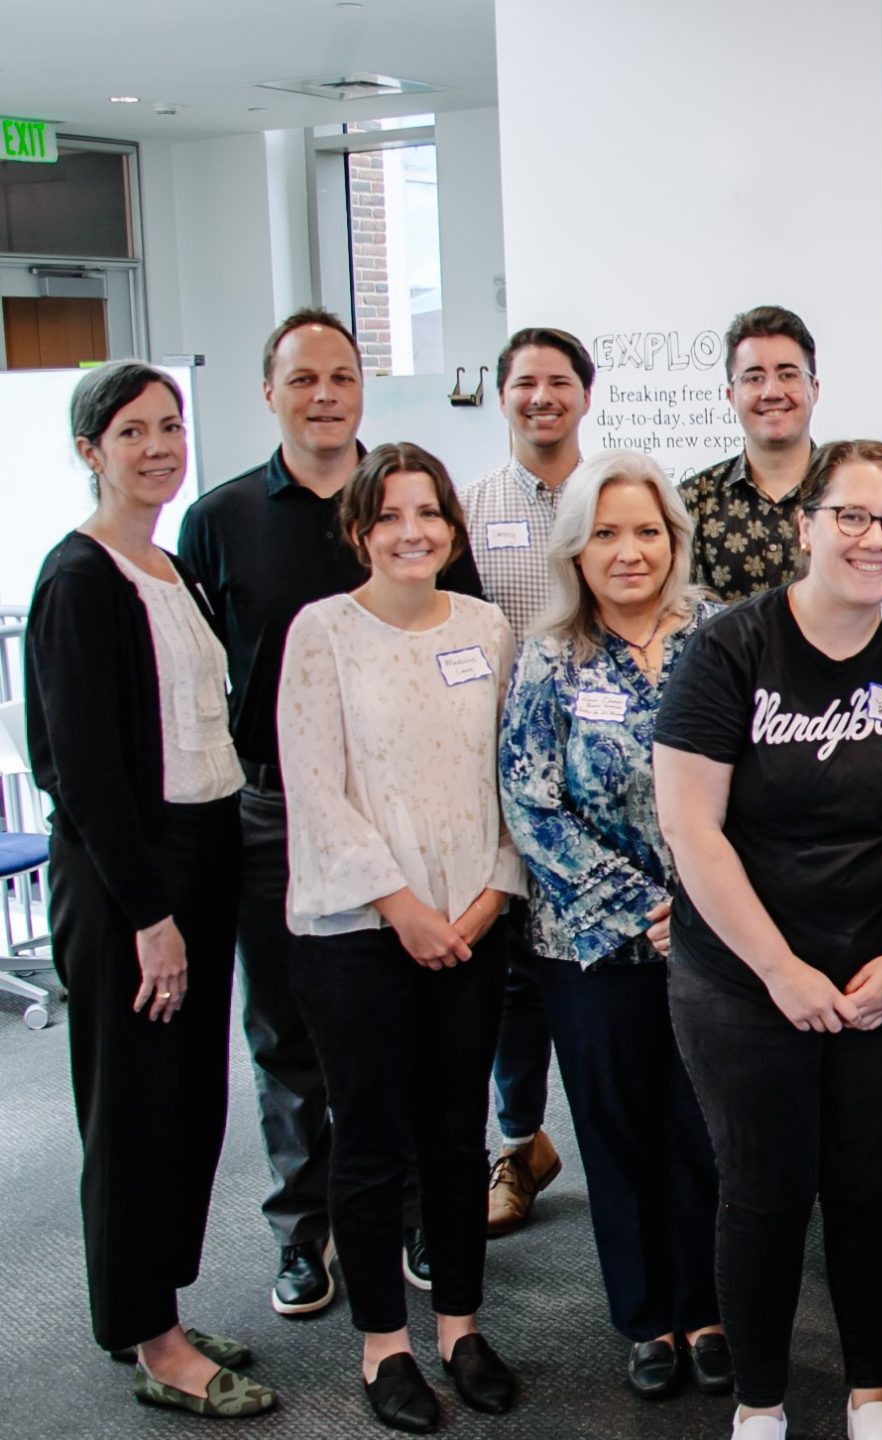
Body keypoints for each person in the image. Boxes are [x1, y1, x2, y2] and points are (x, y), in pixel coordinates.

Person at [655, 439, 882, 1440]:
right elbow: (691, 827)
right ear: (806, 525)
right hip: (743, 974)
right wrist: (780, 970)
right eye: (850, 516)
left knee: (871, 1188)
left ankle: (871, 1395)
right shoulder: (729, 648)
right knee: (763, 1189)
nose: (872, 538)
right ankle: (759, 1405)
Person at [178, 308, 484, 1319]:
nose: (323, 393)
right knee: (291, 1038)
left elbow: (475, 693)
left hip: (442, 834)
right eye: (302, 377)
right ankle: (304, 1230)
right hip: (282, 810)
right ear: (269, 391)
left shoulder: (441, 554)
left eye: (343, 375)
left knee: (433, 1068)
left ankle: (411, 1225)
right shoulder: (221, 519)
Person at [26, 362, 277, 1418]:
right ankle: (153, 1342)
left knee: (184, 1105)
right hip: (131, 880)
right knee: (131, 1111)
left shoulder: (168, 566)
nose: (160, 447)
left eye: (170, 426)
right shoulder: (80, 580)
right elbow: (77, 769)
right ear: (92, 451)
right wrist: (150, 918)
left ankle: (156, 1313)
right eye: (133, 432)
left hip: (200, 854)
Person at [277, 443, 524, 1432]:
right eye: (390, 515)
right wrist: (403, 908)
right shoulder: (321, 634)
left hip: (472, 927)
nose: (413, 530)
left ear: (453, 531)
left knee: (456, 1138)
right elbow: (315, 787)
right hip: (358, 931)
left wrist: (491, 895)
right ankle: (385, 1345)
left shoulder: (489, 628)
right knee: (371, 1141)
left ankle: (460, 1326)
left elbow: (516, 778)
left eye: (430, 513)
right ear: (359, 531)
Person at [497, 450, 729, 1399]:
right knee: (616, 1125)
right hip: (587, 944)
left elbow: (758, 782)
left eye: (647, 532)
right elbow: (529, 800)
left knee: (706, 1125)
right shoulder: (550, 654)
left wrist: (704, 906)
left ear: (675, 541)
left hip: (716, 935)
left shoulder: (720, 637)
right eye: (605, 534)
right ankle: (646, 1317)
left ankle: (712, 1305)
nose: (628, 552)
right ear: (575, 551)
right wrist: (641, 906)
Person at [464, 325, 596, 1238]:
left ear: (586, 394)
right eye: (523, 383)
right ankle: (517, 1145)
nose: (541, 397)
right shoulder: (467, 510)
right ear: (502, 395)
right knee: (513, 984)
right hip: (500, 778)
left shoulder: (616, 497)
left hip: (608, 771)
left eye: (558, 382)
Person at [680, 305, 821, 601]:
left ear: (814, 389)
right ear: (730, 396)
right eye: (754, 378)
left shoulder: (849, 494)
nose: (772, 391)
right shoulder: (691, 503)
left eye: (787, 375)